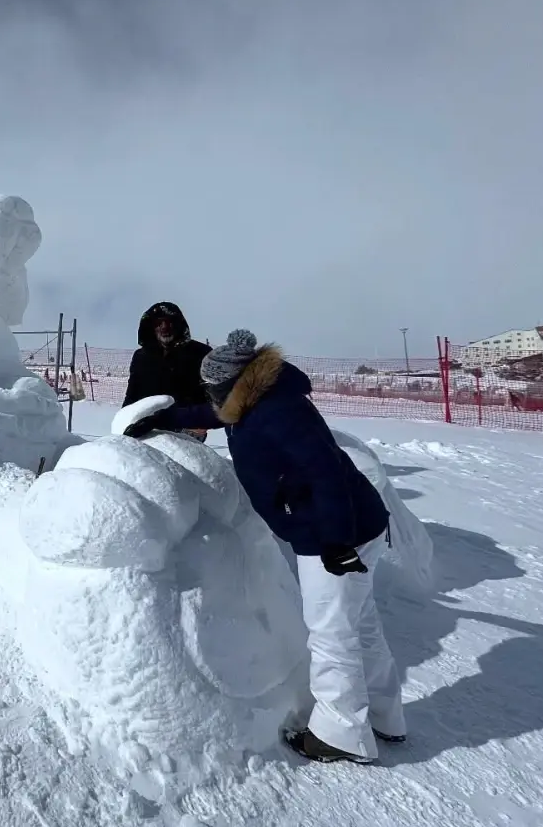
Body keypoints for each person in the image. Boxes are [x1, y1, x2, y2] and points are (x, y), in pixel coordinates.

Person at [124, 329, 404, 764]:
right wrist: (168, 419)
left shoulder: (279, 411)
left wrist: (335, 541)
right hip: (351, 525)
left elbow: (326, 474)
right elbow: (221, 414)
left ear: (236, 383)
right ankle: (386, 717)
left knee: (332, 634)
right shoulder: (255, 401)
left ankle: (343, 735)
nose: (211, 395)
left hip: (332, 532)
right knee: (359, 623)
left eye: (214, 388)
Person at [122, 301, 213, 442]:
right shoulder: (141, 357)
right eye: (159, 323)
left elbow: (213, 394)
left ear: (179, 325)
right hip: (146, 426)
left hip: (187, 427)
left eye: (170, 323)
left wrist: (202, 422)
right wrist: (123, 420)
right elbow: (132, 392)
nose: (165, 328)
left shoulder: (200, 353)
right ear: (151, 326)